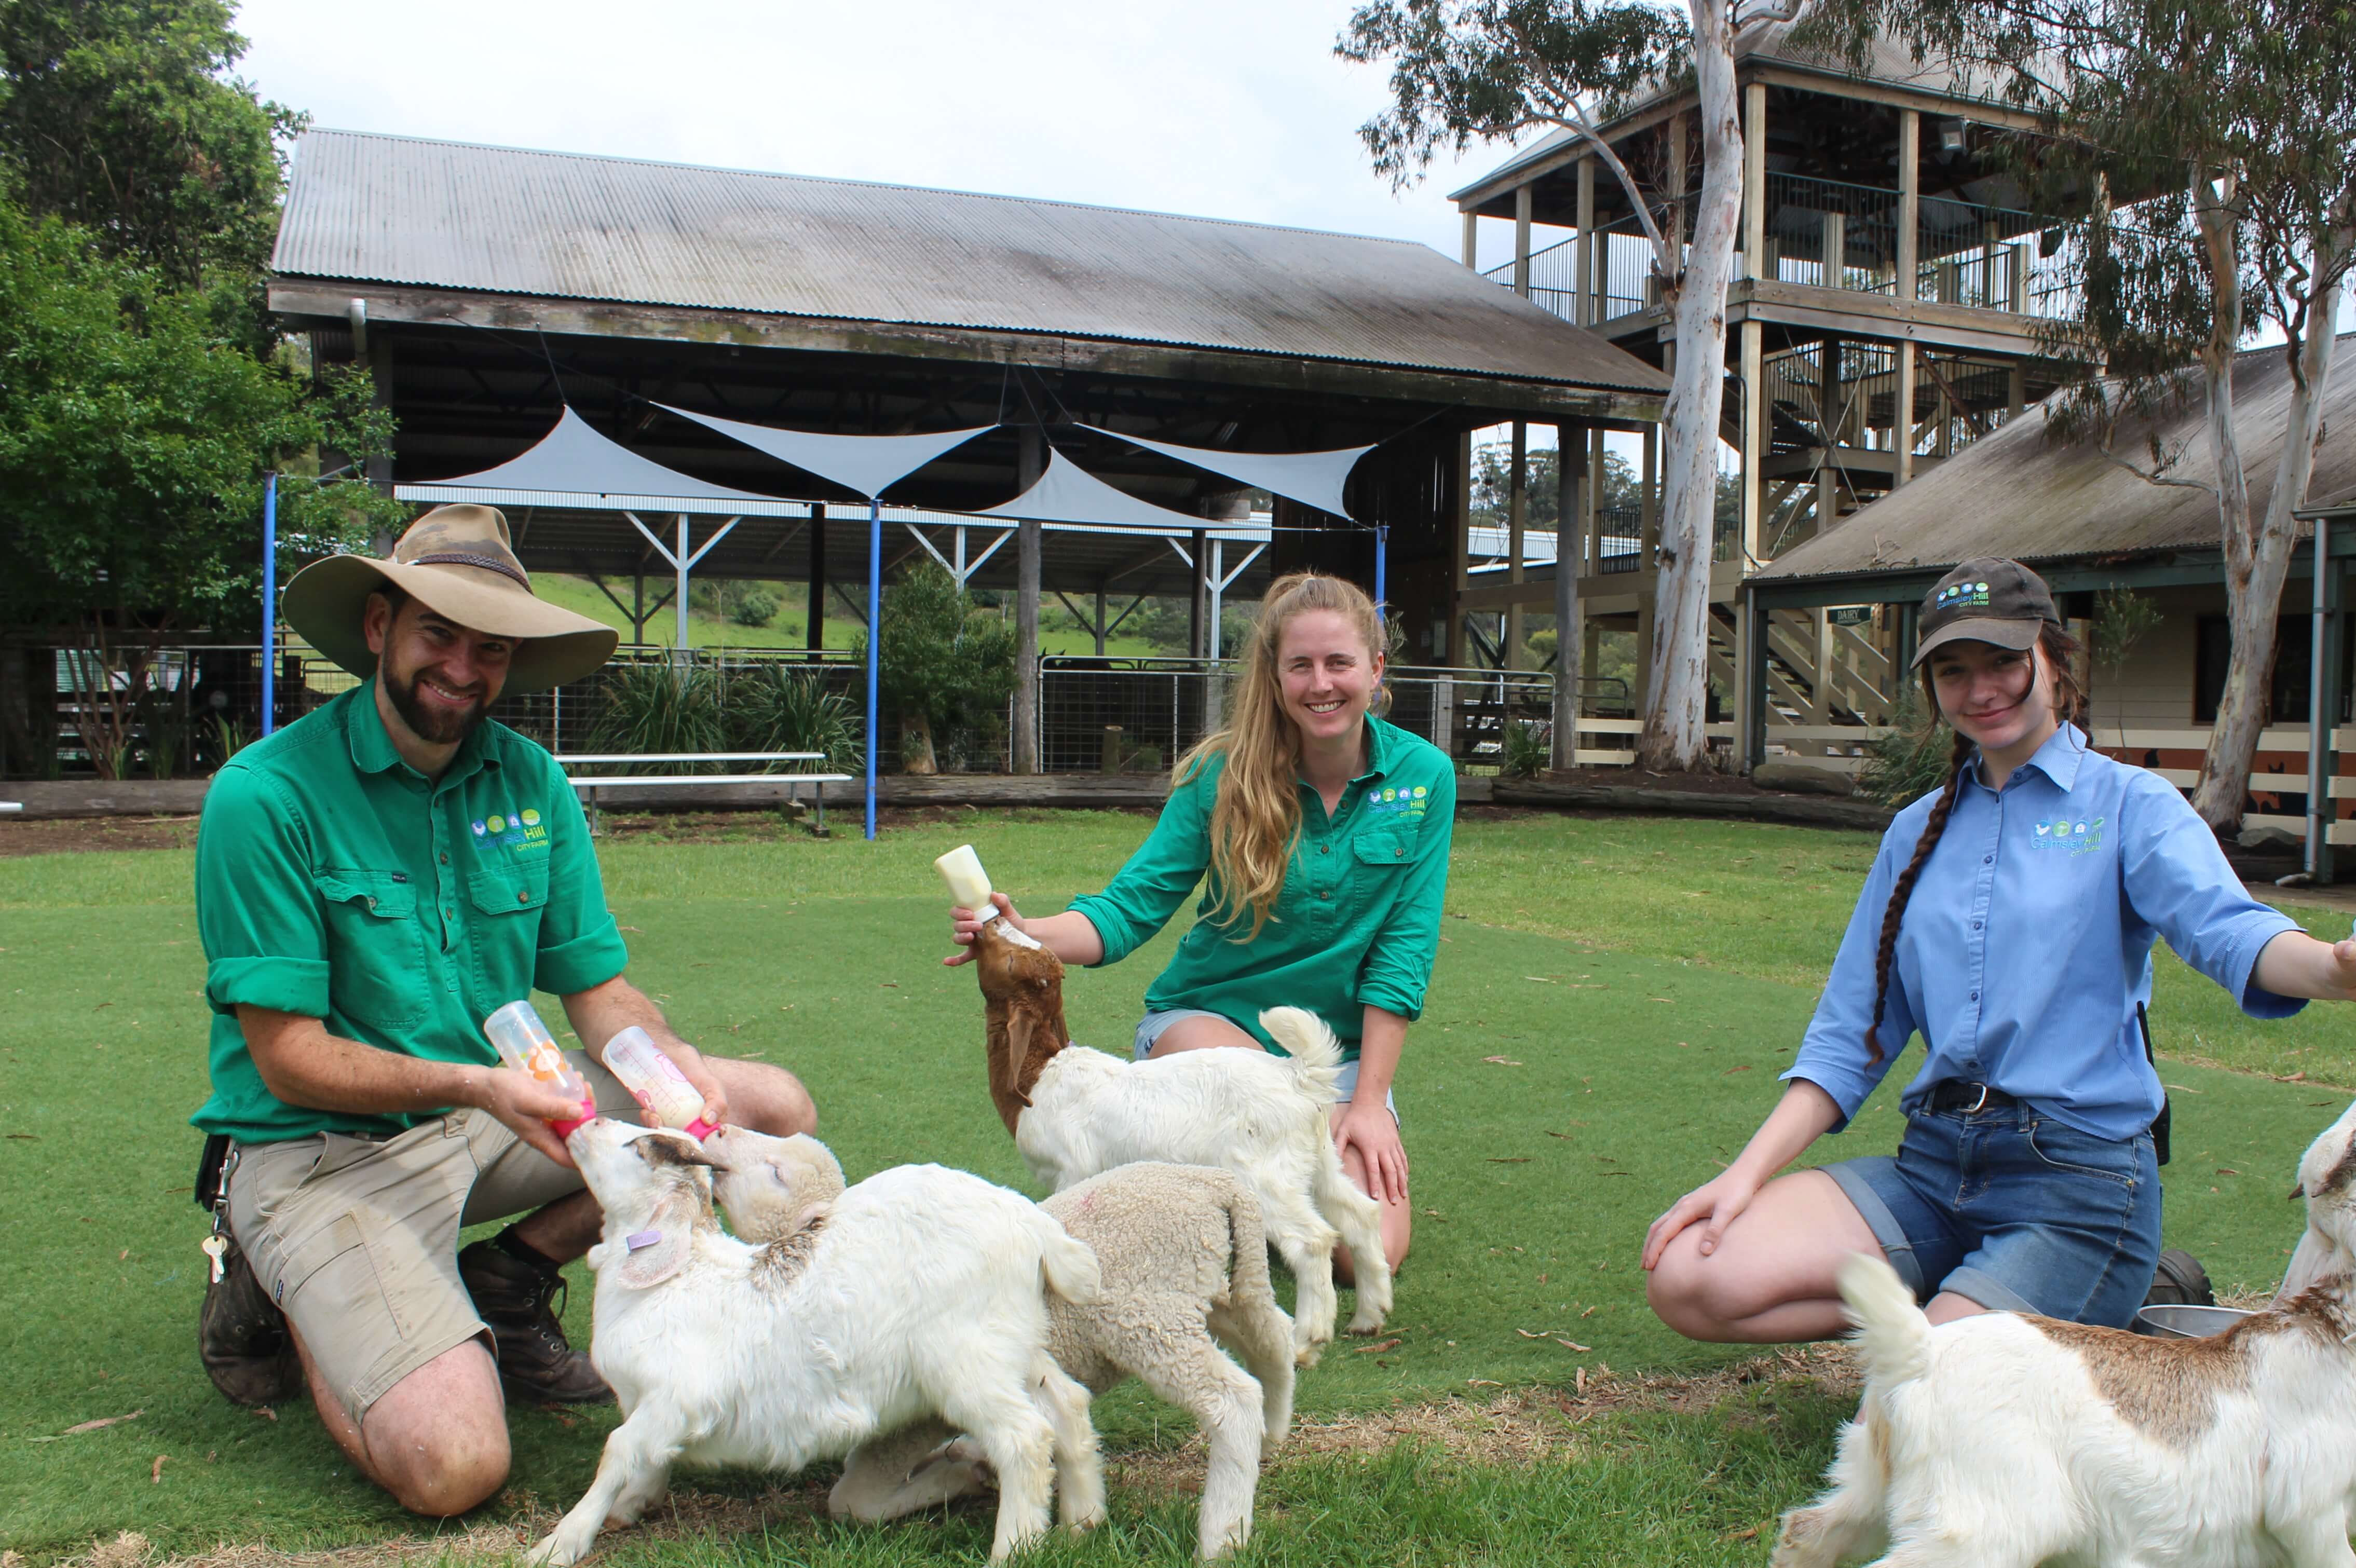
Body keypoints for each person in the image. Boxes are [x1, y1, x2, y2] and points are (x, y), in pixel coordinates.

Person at [192, 503, 818, 1517]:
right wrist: (481, 1083)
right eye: (439, 633)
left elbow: (598, 991)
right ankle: (280, 1281)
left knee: (767, 1111)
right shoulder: (266, 797)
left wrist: (674, 1062)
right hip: (325, 1151)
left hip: (487, 1116)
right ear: (377, 627)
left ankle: (511, 1277)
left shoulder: (529, 783)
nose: (463, 669)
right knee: (456, 1467)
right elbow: (290, 1058)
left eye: (490, 648)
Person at [1642, 556, 2356, 1339]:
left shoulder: (2129, 806)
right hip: (1935, 1169)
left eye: (2003, 662)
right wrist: (1743, 1177)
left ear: (2056, 661)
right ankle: (1975, 1309)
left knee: (1926, 1404)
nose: (1980, 690)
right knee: (1692, 1277)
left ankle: (2036, 1305)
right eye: (1954, 671)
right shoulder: (1915, 830)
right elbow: (1855, 1030)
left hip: (2079, 1183)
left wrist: (2341, 969)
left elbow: (2231, 932)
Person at [947, 571, 1451, 1273]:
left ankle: (1196, 1185)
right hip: (1210, 1027)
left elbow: (1404, 949)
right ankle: (1193, 1166)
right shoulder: (1222, 774)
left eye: (1339, 662)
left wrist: (1365, 1103)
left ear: (1376, 668)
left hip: (1329, 1057)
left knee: (1368, 1255)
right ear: (1275, 678)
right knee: (1252, 1102)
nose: (1321, 683)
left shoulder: (1424, 776)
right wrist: (1024, 931)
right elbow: (1129, 909)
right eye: (1299, 665)